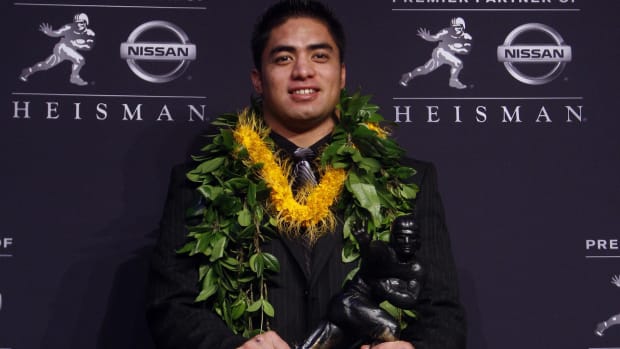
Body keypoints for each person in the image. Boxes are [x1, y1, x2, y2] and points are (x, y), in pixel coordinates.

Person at [146, 1, 466, 349]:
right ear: (257, 78)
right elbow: (171, 306)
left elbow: (443, 314)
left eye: (319, 56)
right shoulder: (201, 182)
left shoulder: (407, 180)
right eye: (283, 58)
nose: (303, 71)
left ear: (342, 74)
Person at [297, 216, 424, 349]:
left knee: (319, 342)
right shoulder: (385, 252)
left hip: (358, 315)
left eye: (412, 237)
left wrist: (388, 292)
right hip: (348, 303)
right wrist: (365, 244)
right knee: (391, 328)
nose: (407, 242)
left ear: (419, 240)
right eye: (401, 237)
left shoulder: (416, 269)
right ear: (392, 238)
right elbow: (372, 253)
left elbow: (411, 299)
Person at [19, 13, 95, 86]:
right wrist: (50, 32)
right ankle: (74, 77)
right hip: (62, 47)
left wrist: (78, 45)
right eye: (77, 22)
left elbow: (89, 47)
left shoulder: (89, 34)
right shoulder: (69, 27)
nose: (78, 25)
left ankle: (28, 71)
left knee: (46, 65)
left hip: (70, 51)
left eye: (81, 22)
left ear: (86, 22)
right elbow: (57, 33)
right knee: (80, 59)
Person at [398, 17, 472, 89]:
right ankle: (453, 81)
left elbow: (466, 51)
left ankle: (408, 75)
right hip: (440, 52)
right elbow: (435, 37)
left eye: (458, 26)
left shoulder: (467, 37)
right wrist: (428, 37)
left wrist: (454, 48)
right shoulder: (446, 31)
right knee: (458, 63)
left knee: (425, 69)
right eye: (454, 27)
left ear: (463, 26)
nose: (456, 29)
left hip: (448, 55)